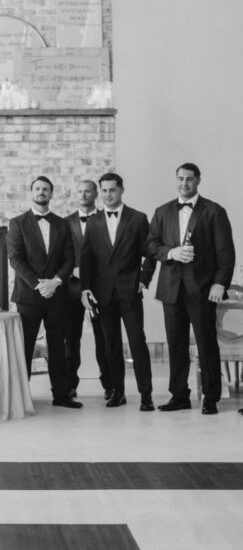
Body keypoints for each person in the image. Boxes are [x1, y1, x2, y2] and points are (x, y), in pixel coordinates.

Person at [147, 162, 235, 415]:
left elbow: (225, 253)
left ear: (198, 180)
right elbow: (151, 246)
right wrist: (171, 252)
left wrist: (220, 283)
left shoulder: (214, 211)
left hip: (203, 289)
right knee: (175, 343)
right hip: (170, 289)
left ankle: (211, 397)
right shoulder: (162, 211)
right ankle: (179, 395)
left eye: (189, 179)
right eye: (180, 178)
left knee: (206, 343)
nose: (184, 183)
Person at [80, 172, 155, 411]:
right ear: (99, 192)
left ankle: (146, 395)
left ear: (121, 190)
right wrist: (85, 289)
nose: (108, 195)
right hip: (103, 294)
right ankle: (117, 392)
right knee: (110, 345)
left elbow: (151, 253)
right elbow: (87, 259)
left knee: (137, 342)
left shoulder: (138, 218)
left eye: (112, 190)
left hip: (130, 291)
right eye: (104, 190)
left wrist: (144, 279)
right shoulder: (93, 222)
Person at [6, 176, 78, 409]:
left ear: (51, 194)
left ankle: (62, 395)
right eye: (37, 188)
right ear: (31, 192)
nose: (41, 192)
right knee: (25, 346)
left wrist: (55, 282)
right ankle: (22, 397)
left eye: (45, 189)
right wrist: (40, 285)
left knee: (58, 345)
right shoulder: (17, 223)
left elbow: (70, 258)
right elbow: (15, 259)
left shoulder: (62, 223)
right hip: (29, 295)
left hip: (57, 294)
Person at [64, 180, 112, 399]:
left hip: (99, 287)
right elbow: (60, 254)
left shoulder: (107, 219)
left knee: (104, 337)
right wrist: (71, 271)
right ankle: (69, 385)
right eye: (80, 191)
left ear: (96, 194)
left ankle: (109, 384)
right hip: (72, 287)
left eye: (88, 191)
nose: (83, 194)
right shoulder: (65, 223)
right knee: (71, 338)